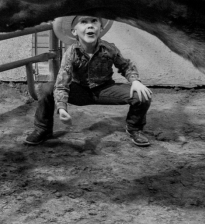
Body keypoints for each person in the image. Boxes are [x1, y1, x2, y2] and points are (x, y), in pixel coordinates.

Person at [24, 16, 153, 147]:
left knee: (142, 95)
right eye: (84, 22)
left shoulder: (109, 49)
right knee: (46, 89)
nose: (90, 25)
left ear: (100, 29)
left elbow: (125, 66)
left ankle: (134, 129)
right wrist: (62, 108)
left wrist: (135, 81)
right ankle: (43, 129)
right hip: (78, 91)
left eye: (94, 21)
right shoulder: (71, 53)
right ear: (74, 31)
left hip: (104, 90)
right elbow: (62, 83)